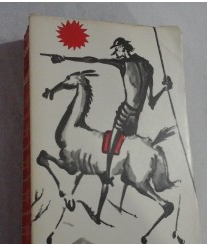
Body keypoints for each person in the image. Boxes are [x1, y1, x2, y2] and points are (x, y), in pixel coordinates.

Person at [50, 37, 172, 222]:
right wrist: (165, 89)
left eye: (117, 49)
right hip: (135, 118)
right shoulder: (148, 66)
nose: (116, 53)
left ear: (123, 47)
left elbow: (93, 60)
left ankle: (106, 178)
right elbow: (152, 102)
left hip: (124, 116)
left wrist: (65, 58)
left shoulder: (124, 63)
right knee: (120, 149)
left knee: (110, 155)